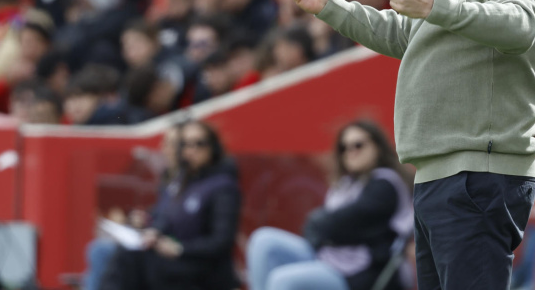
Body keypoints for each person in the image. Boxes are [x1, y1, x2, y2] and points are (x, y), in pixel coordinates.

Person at [280, 0, 535, 290]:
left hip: (476, 175)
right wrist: (331, 7)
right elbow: (403, 35)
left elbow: (520, 25)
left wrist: (433, 6)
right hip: (441, 176)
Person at [246, 121, 414, 290]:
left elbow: (344, 223)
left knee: (281, 280)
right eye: (344, 147)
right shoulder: (346, 184)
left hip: (358, 273)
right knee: (263, 240)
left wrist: (320, 223)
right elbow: (326, 226)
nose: (351, 152)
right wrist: (322, 225)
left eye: (358, 145)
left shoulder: (385, 184)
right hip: (328, 256)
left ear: (377, 146)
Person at [99, 120, 241, 290]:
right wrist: (153, 232)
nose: (192, 150)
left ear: (213, 147)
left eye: (199, 143)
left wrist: (181, 249)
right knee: (121, 254)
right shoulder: (182, 181)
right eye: (185, 144)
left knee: (132, 262)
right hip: (173, 259)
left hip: (201, 267)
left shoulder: (224, 186)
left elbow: (222, 241)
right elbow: (165, 217)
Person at [83, 124, 182, 290]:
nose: (164, 149)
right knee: (99, 249)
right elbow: (160, 214)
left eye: (172, 144)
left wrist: (156, 233)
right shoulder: (169, 179)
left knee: (104, 252)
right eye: (165, 143)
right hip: (152, 239)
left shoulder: (194, 183)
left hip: (168, 246)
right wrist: (143, 220)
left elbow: (179, 221)